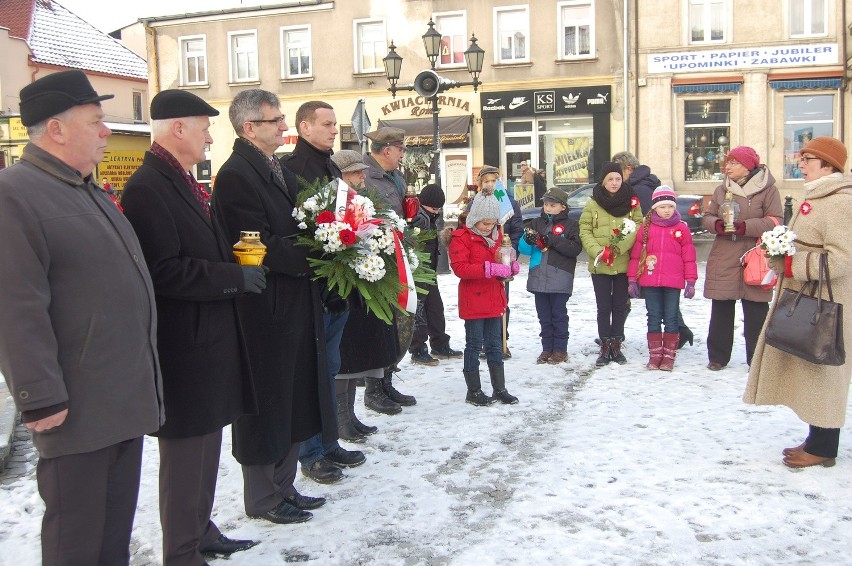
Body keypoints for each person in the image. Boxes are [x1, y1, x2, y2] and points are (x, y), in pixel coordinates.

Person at [0, 70, 163, 565]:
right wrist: (38, 395)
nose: (107, 131)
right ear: (56, 129)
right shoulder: (15, 193)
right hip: (74, 405)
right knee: (77, 540)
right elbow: (15, 304)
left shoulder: (86, 189)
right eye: (96, 121)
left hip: (119, 397)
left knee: (112, 534)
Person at [121, 89, 260, 564]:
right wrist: (233, 276)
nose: (209, 136)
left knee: (204, 452)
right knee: (186, 459)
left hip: (207, 340)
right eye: (204, 126)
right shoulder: (147, 185)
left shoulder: (177, 177)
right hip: (185, 347)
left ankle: (200, 531)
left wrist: (236, 258)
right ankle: (181, 552)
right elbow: (162, 271)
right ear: (177, 128)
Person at [211, 89, 336, 523]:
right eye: (276, 120)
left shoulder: (270, 166)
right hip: (265, 306)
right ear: (250, 128)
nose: (285, 126)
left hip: (291, 300)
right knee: (268, 401)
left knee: (293, 394)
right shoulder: (235, 175)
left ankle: (285, 486)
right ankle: (264, 496)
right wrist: (317, 251)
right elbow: (253, 242)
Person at [745, 136, 852, 469]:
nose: (801, 165)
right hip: (811, 297)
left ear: (828, 165)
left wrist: (791, 264)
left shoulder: (840, 201)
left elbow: (841, 259)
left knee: (824, 370)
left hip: (828, 303)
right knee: (813, 368)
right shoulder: (821, 195)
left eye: (808, 159)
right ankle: (817, 439)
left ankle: (823, 448)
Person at [282, 101, 366, 483]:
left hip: (337, 289)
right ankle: (310, 451)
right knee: (310, 374)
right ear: (305, 127)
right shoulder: (291, 169)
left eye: (336, 124)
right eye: (328, 124)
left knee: (330, 370)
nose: (335, 130)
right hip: (311, 288)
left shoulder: (331, 165)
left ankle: (329, 441)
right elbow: (299, 229)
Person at [701, 146, 782, 371]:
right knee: (721, 309)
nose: (727, 167)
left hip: (756, 257)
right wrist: (716, 224)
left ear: (748, 166)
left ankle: (756, 359)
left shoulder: (768, 190)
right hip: (725, 255)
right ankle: (717, 357)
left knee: (756, 310)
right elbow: (708, 216)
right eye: (727, 163)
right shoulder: (720, 190)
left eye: (733, 163)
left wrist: (744, 227)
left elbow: (776, 220)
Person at [327, 149, 385, 434]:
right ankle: (340, 421)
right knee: (343, 355)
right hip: (341, 286)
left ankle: (349, 416)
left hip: (359, 285)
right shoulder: (334, 202)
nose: (363, 176)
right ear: (341, 175)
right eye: (356, 172)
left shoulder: (358, 199)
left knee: (350, 355)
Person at [612, 150, 694, 349]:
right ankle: (680, 330)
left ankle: (615, 335)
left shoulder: (638, 189)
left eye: (618, 171)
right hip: (651, 246)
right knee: (655, 292)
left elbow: (643, 219)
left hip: (646, 248)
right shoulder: (648, 183)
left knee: (631, 292)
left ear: (628, 169)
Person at [361, 126, 416, 412]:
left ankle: (386, 382)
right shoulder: (367, 177)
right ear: (386, 150)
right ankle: (373, 390)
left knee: (397, 323)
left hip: (399, 255)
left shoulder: (396, 176)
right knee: (383, 323)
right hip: (377, 259)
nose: (403, 154)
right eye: (400, 149)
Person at [449, 193, 520, 406]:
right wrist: (489, 268)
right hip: (474, 298)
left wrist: (510, 267)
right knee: (474, 344)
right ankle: (474, 390)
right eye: (484, 223)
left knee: (495, 345)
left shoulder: (498, 236)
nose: (489, 227)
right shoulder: (461, 238)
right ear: (474, 220)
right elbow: (459, 268)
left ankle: (500, 388)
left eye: (492, 223)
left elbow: (502, 257)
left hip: (493, 297)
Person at [627, 186, 698, 371]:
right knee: (653, 317)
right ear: (654, 208)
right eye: (662, 206)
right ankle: (655, 355)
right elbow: (636, 256)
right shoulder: (646, 228)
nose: (667, 210)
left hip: (673, 282)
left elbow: (689, 257)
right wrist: (632, 279)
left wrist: (691, 281)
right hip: (650, 281)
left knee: (671, 318)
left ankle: (668, 357)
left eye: (670, 206)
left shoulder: (682, 229)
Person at [579, 161, 644, 366]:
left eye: (617, 178)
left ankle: (616, 345)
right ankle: (605, 346)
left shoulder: (632, 201)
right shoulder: (592, 203)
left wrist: (618, 248)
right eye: (610, 179)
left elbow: (638, 226)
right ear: (603, 181)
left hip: (623, 262)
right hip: (600, 265)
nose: (614, 183)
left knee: (619, 305)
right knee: (603, 306)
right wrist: (599, 251)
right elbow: (585, 229)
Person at [519, 187, 583, 365]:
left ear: (562, 207)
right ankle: (547, 348)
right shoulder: (536, 223)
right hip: (539, 277)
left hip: (560, 276)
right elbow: (523, 250)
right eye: (546, 204)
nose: (547, 208)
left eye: (552, 205)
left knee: (559, 315)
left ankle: (560, 350)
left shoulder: (571, 225)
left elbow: (574, 249)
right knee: (544, 317)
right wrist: (527, 239)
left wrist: (552, 240)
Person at [408, 183, 463, 366]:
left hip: (429, 271)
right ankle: (417, 349)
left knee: (436, 309)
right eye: (433, 208)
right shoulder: (417, 216)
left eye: (439, 208)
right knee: (420, 311)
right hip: (418, 272)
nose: (436, 211)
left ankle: (439, 344)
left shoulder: (430, 216)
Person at [473, 165, 523, 358]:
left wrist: (511, 252)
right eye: (486, 181)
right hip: (483, 261)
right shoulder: (475, 203)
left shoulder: (509, 204)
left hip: (502, 259)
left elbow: (517, 230)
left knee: (502, 301)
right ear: (480, 184)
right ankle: (485, 341)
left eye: (494, 181)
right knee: (482, 300)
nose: (490, 184)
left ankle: (501, 339)